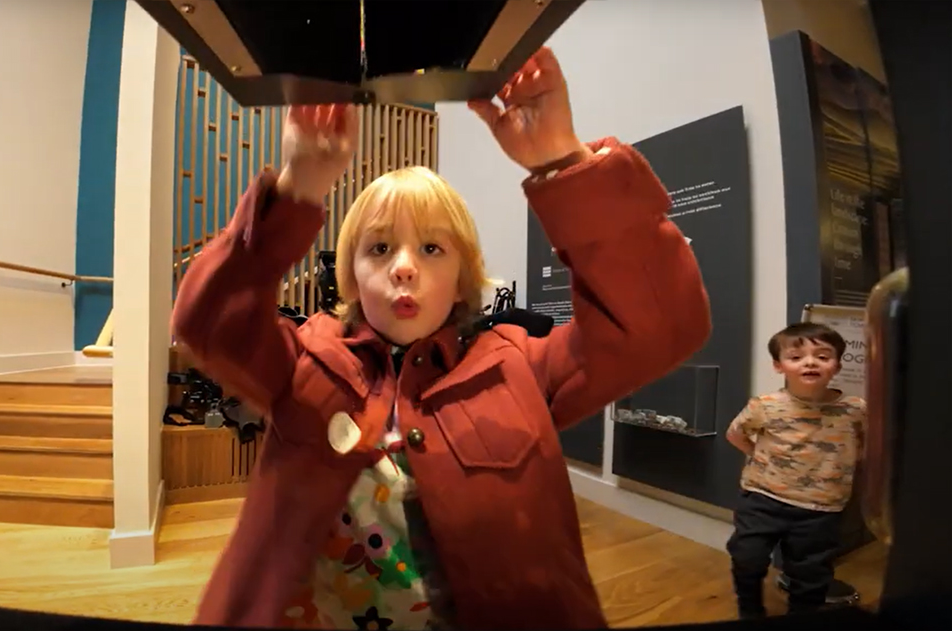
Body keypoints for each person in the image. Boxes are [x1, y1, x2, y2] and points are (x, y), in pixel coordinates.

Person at [172, 46, 710, 630]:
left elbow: (658, 327)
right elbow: (209, 321)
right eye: (380, 248)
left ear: (462, 278)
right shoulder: (301, 359)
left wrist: (561, 161)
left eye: (432, 248)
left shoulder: (521, 369)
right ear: (351, 274)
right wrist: (298, 187)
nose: (404, 267)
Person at [725, 322, 867, 619]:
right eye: (797, 356)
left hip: (822, 507)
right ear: (779, 366)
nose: (810, 362)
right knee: (747, 558)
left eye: (822, 356)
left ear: (837, 366)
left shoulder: (855, 409)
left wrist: (845, 463)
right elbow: (735, 434)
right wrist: (758, 455)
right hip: (762, 499)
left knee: (811, 573)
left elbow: (868, 445)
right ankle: (749, 611)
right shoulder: (765, 405)